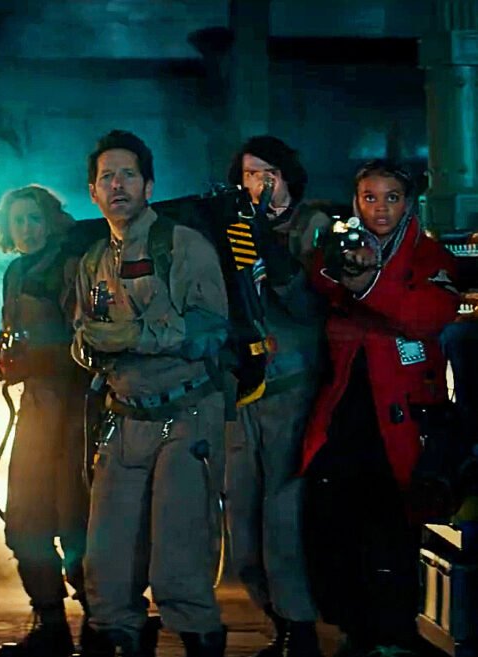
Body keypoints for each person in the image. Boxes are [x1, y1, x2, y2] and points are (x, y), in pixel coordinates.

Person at [73, 130, 229, 657]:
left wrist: (134, 336)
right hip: (123, 417)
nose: (117, 185)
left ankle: (198, 638)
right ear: (93, 192)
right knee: (107, 563)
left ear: (149, 186)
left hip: (185, 413)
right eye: (107, 177)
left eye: (128, 175)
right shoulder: (94, 260)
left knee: (179, 560)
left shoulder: (182, 245)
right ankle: (119, 635)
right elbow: (84, 335)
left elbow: (210, 328)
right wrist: (88, 347)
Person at [300, 160, 459, 657]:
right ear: (356, 202)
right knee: (339, 524)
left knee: (398, 527)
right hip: (347, 410)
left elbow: (428, 314)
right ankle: (356, 629)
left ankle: (398, 634)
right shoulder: (337, 249)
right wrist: (352, 276)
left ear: (407, 203)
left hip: (406, 418)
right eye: (370, 198)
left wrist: (368, 287)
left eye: (392, 197)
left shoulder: (430, 256)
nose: (380, 208)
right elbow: (322, 280)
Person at [222, 136, 329, 657]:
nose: (260, 183)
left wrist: (270, 246)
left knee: (283, 517)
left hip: (292, 390)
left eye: (269, 173)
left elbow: (309, 305)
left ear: (287, 176)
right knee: (242, 522)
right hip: (245, 392)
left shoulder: (312, 226)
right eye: (249, 174)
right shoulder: (234, 231)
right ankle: (276, 618)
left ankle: (298, 626)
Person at [0, 184, 89, 657]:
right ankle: (51, 624)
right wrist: (8, 358)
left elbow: (88, 340)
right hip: (36, 410)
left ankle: (104, 623)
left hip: (77, 412)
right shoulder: (16, 272)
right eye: (18, 221)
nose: (26, 229)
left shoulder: (71, 266)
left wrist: (38, 358)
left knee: (76, 523)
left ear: (50, 221)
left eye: (34, 219)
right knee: (24, 523)